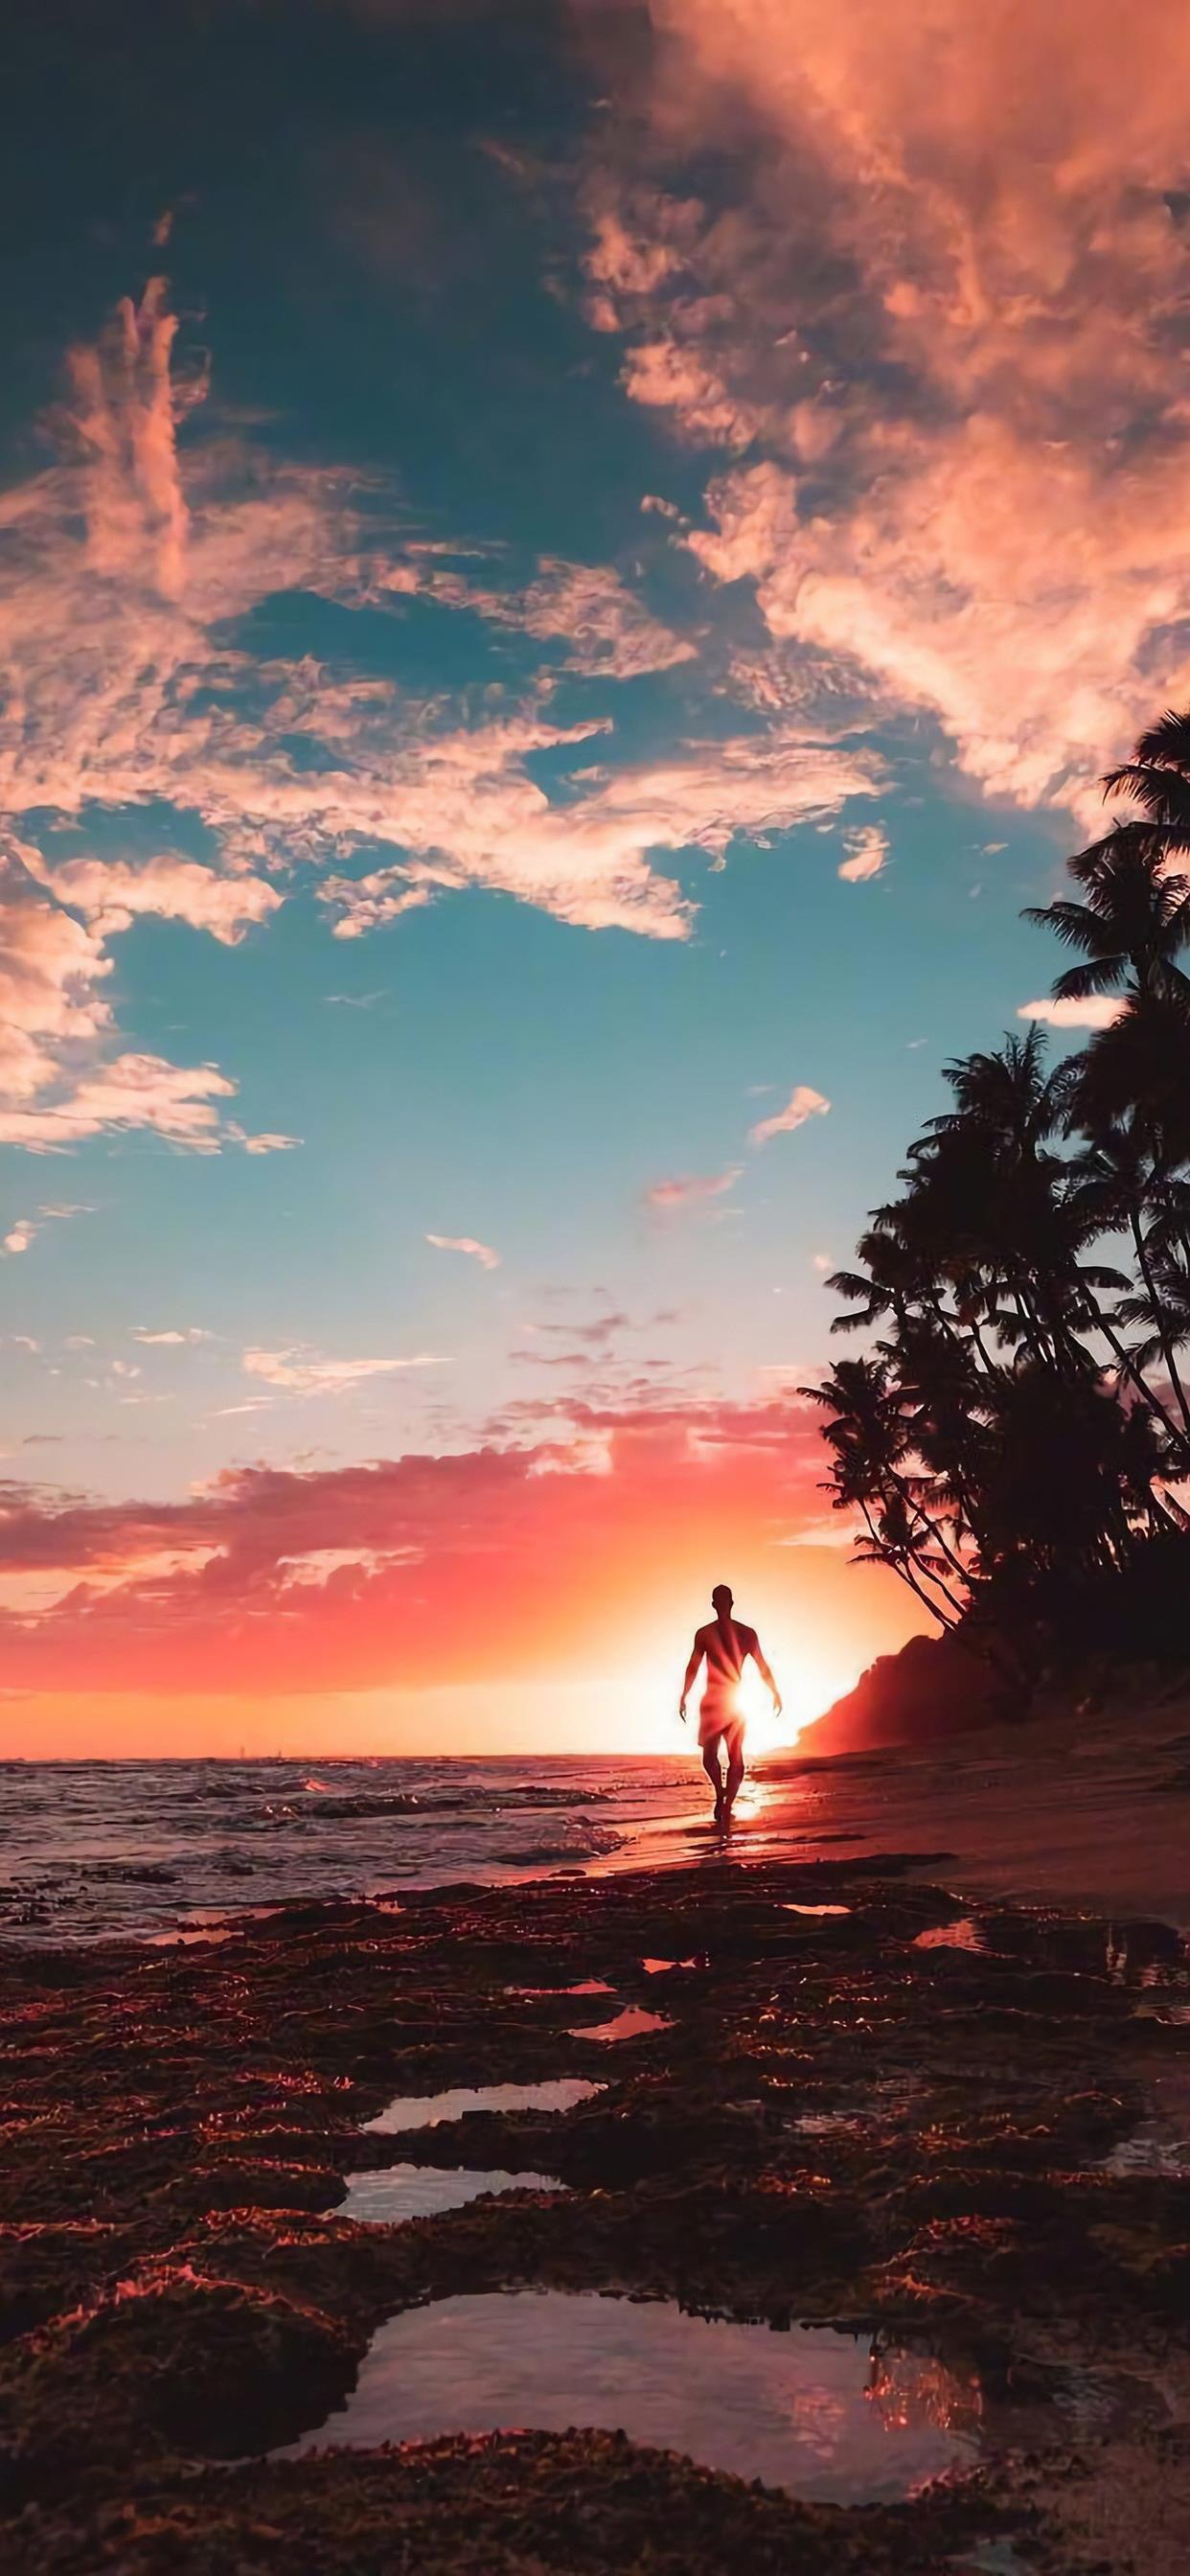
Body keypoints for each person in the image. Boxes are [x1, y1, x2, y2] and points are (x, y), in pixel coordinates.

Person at [678, 1584, 782, 1826]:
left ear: (717, 1604)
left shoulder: (738, 1633)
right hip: (724, 1702)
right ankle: (723, 1798)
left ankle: (724, 1801)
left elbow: (762, 1666)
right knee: (715, 1757)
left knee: (731, 1757)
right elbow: (693, 1666)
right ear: (725, 1604)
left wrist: (775, 1691)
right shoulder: (712, 1634)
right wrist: (683, 1695)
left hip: (726, 1701)